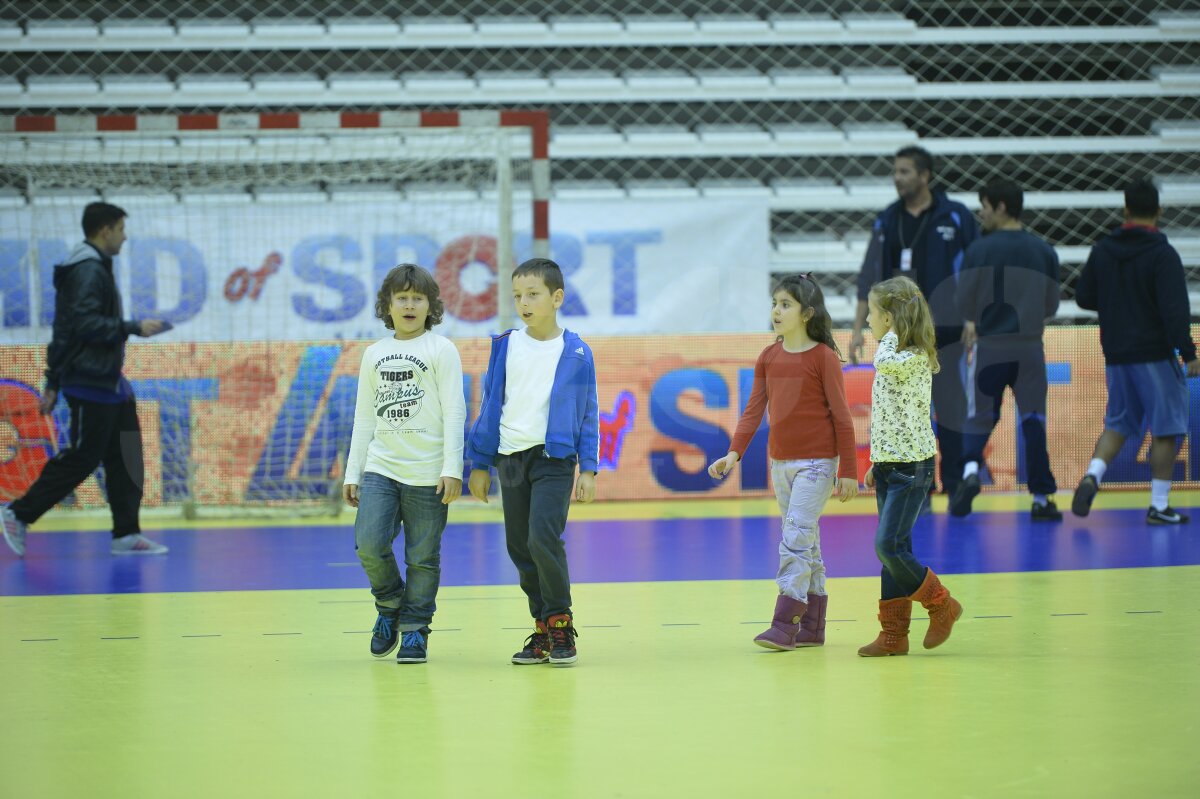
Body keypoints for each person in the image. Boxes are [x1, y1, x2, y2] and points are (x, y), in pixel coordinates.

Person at [2, 202, 169, 558]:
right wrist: (133, 326)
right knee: (83, 457)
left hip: (109, 381)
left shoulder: (96, 266)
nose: (125, 237)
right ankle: (19, 513)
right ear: (105, 230)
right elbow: (80, 326)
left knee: (127, 456)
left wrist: (51, 382)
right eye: (121, 229)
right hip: (89, 380)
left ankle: (126, 533)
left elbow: (65, 327)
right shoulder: (87, 270)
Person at [708, 273, 858, 651]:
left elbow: (842, 418)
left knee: (794, 538)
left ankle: (784, 624)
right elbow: (753, 410)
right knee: (807, 543)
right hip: (781, 465)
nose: (776, 311)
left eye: (786, 304)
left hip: (817, 465)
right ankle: (812, 627)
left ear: (807, 314)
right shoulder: (768, 357)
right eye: (775, 303)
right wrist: (733, 453)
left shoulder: (824, 358)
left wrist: (848, 471)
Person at [466, 258, 599, 667]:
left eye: (533, 294)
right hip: (510, 459)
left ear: (556, 298)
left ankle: (561, 624)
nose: (523, 303)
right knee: (519, 546)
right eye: (517, 296)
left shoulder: (577, 352)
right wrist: (479, 463)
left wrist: (588, 468)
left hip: (554, 460)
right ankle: (542, 628)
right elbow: (491, 405)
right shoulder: (505, 345)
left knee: (543, 538)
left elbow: (589, 412)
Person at [343, 264, 465, 664]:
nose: (409, 305)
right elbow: (364, 417)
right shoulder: (374, 354)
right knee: (369, 544)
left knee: (422, 558)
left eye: (417, 298)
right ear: (388, 305)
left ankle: (415, 628)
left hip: (428, 474)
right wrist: (353, 471)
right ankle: (390, 603)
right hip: (381, 469)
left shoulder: (441, 349)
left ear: (430, 306)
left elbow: (455, 411)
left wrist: (452, 468)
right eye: (402, 298)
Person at [850, 146, 980, 505]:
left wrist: (973, 316)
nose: (897, 178)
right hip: (902, 335)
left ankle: (955, 484)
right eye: (895, 171)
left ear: (925, 175)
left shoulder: (955, 216)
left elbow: (976, 270)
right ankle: (919, 486)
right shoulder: (887, 220)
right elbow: (869, 275)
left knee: (951, 407)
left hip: (948, 330)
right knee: (905, 412)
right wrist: (859, 328)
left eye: (905, 171)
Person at [1071, 178, 1199, 524]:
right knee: (1166, 429)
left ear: (1125, 209)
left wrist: (1117, 301)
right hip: (1154, 354)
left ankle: (1093, 475)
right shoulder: (1162, 254)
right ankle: (1159, 505)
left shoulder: (1103, 249)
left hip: (1116, 355)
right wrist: (1189, 353)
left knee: (1118, 424)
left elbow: (1083, 296)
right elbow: (1175, 312)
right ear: (1159, 211)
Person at [859, 276, 964, 657]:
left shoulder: (911, 356)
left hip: (911, 468)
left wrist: (889, 336)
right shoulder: (898, 356)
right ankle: (893, 635)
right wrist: (877, 461)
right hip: (890, 465)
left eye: (872, 313)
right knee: (894, 550)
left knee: (887, 546)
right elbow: (889, 415)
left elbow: (882, 361)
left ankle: (941, 604)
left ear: (889, 318)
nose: (867, 320)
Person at [951, 178, 1062, 520]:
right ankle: (1041, 499)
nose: (981, 213)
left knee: (980, 416)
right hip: (1029, 348)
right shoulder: (1044, 251)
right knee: (1033, 420)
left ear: (1000, 206)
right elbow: (1052, 306)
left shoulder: (979, 250)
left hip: (990, 348)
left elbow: (963, 300)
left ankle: (970, 472)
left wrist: (977, 318)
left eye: (984, 206)